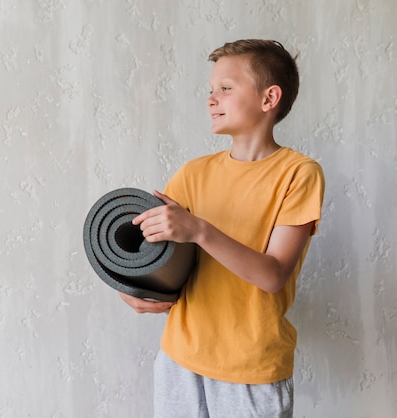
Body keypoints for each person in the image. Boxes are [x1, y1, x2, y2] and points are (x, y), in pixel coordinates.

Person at [119, 39, 325, 417]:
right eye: (211, 91)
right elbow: (161, 258)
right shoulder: (193, 173)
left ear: (269, 98)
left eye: (226, 89)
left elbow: (273, 274)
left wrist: (199, 229)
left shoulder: (298, 174)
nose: (212, 99)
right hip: (179, 361)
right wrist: (132, 289)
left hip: (251, 370)